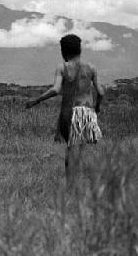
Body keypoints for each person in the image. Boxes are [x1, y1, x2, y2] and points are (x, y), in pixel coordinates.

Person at [26, 34, 104, 186]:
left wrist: (36, 101)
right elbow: (101, 92)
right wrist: (97, 108)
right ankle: (75, 184)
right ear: (80, 49)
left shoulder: (62, 67)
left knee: (70, 150)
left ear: (63, 51)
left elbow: (55, 89)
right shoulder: (91, 68)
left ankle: (70, 186)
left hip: (71, 112)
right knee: (79, 150)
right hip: (88, 113)